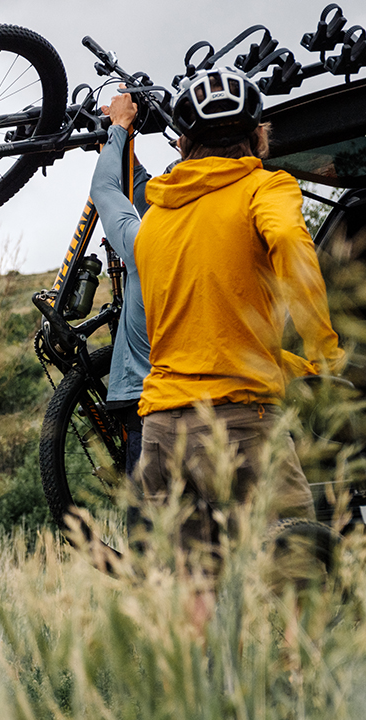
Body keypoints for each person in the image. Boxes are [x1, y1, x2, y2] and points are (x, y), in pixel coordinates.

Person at [130, 68, 345, 628]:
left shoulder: (156, 217)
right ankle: (301, 701)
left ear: (182, 143)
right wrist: (325, 352)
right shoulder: (262, 187)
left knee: (195, 602)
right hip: (238, 427)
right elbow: (294, 250)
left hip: (160, 432)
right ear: (259, 138)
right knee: (301, 580)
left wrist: (288, 365)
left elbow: (208, 330)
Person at [88, 87, 155, 482]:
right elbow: (143, 188)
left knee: (154, 536)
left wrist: (118, 129)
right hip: (220, 405)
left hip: (149, 408)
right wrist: (122, 143)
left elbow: (106, 190)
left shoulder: (147, 243)